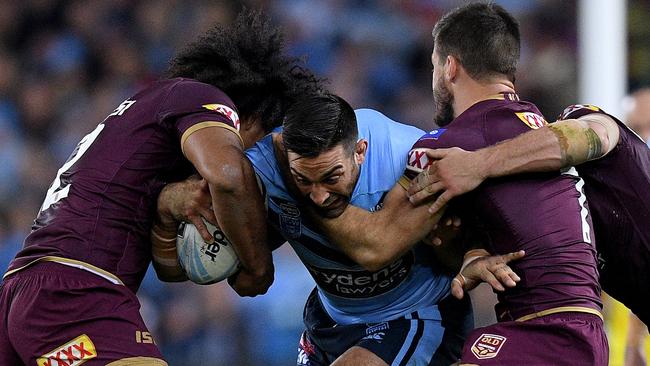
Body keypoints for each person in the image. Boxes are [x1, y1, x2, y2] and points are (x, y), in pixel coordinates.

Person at [0, 10, 322, 365]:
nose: (256, 165)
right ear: (250, 118)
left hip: (25, 292)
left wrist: (168, 212)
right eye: (257, 148)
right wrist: (258, 266)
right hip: (74, 293)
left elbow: (170, 269)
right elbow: (230, 175)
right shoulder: (201, 97)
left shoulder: (148, 136)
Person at [302, 3, 607, 365]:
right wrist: (470, 255)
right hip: (587, 327)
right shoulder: (540, 132)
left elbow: (376, 242)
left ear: (449, 66)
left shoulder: (444, 147)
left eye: (434, 65)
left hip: (541, 334)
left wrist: (297, 195)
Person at [155, 93, 523, 366]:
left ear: (359, 151)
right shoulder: (263, 168)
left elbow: (399, 240)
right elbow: (200, 273)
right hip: (330, 317)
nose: (318, 195)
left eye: (332, 177)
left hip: (413, 313)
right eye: (303, 179)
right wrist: (169, 199)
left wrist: (472, 252)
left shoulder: (407, 153)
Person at [406, 86, 650, 329]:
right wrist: (474, 255)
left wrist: (477, 164)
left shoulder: (584, 121)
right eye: (639, 127)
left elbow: (588, 134)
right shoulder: (549, 203)